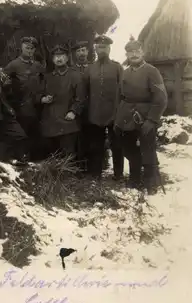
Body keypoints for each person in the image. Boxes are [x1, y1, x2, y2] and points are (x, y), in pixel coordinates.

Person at [114, 37, 168, 194]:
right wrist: (118, 119)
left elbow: (161, 98)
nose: (134, 54)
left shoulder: (152, 71)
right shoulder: (125, 72)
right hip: (126, 117)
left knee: (148, 150)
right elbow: (120, 96)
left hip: (145, 116)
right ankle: (134, 179)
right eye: (130, 52)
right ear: (127, 54)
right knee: (130, 150)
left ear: (142, 52)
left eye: (137, 51)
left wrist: (152, 120)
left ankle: (151, 183)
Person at [84, 35, 124, 179]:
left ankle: (118, 175)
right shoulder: (89, 69)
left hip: (114, 114)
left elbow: (123, 91)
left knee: (117, 146)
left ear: (109, 49)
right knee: (95, 146)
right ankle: (96, 175)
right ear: (95, 48)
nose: (102, 50)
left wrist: (120, 112)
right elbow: (85, 92)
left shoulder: (117, 67)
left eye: (105, 47)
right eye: (99, 47)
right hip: (94, 114)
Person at [38, 44, 85, 159]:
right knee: (53, 155)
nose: (59, 59)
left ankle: (68, 176)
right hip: (50, 121)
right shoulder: (47, 77)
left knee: (68, 154)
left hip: (67, 121)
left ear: (67, 58)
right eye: (56, 56)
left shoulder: (75, 76)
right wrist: (42, 99)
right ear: (53, 59)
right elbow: (37, 95)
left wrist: (73, 111)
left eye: (62, 56)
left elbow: (81, 97)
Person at [4, 37, 45, 160]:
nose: (30, 51)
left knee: (36, 137)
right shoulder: (13, 65)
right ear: (21, 47)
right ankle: (21, 162)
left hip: (37, 108)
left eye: (32, 48)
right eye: (27, 48)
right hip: (21, 108)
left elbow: (43, 83)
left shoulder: (38, 66)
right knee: (22, 137)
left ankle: (34, 164)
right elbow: (4, 84)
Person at [72, 41, 91, 170]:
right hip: (75, 109)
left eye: (83, 50)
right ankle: (78, 167)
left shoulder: (93, 68)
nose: (81, 53)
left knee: (91, 137)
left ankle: (92, 167)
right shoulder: (70, 70)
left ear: (88, 52)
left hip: (91, 108)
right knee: (76, 138)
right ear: (74, 54)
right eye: (78, 51)